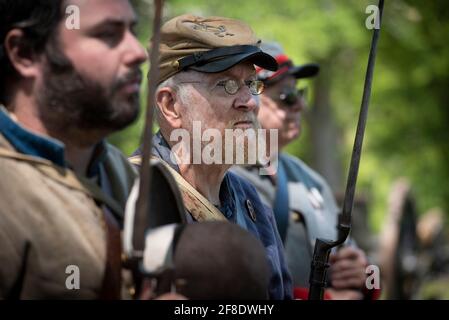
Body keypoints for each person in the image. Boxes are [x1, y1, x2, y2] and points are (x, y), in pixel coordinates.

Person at [129, 14, 293, 300]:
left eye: (251, 84)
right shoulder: (132, 198)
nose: (250, 102)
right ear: (170, 105)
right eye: (226, 85)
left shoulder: (252, 202)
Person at [231, 42, 379, 300]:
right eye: (286, 96)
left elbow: (365, 270)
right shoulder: (220, 177)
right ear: (249, 99)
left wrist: (365, 275)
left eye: (299, 93)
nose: (299, 105)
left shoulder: (311, 180)